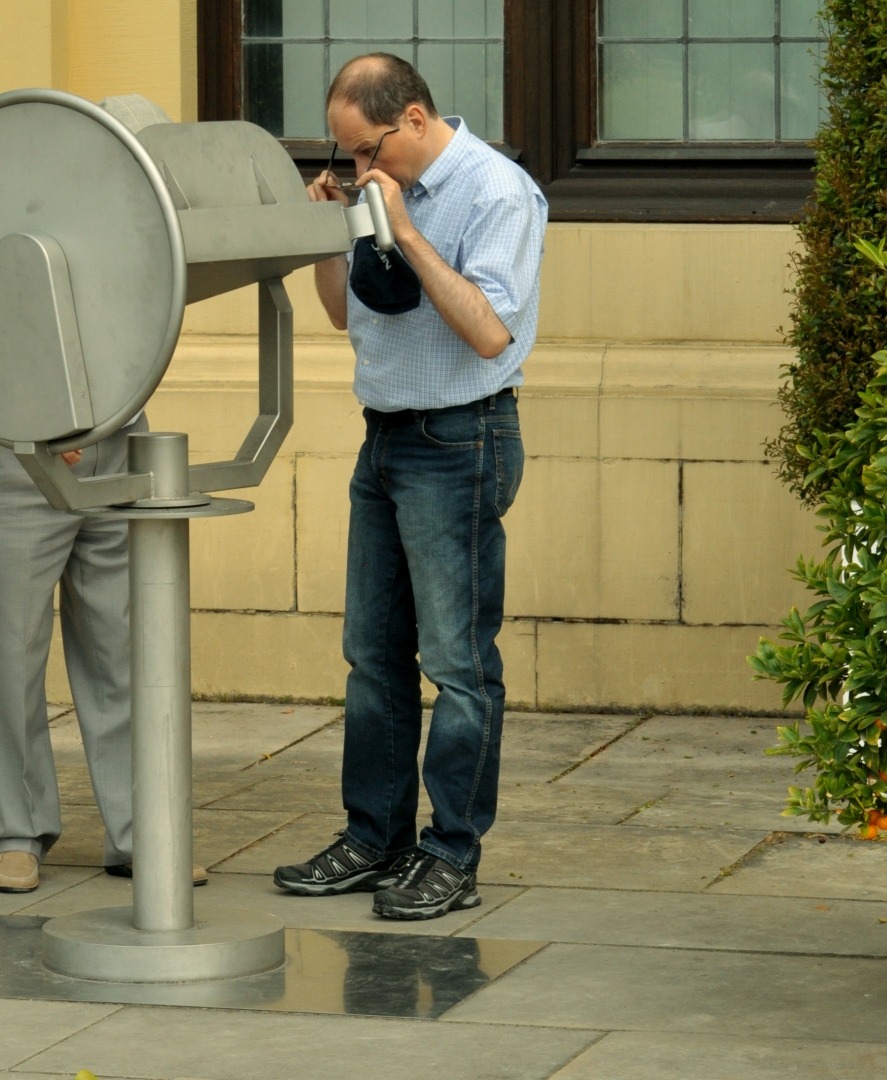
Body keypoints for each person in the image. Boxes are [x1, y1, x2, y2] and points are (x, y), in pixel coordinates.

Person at [273, 55, 547, 919]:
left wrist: (405, 228)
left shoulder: (497, 194)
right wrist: (334, 232)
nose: (359, 171)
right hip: (384, 437)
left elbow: (487, 332)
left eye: (367, 152)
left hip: (461, 438)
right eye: (346, 156)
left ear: (415, 119)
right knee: (372, 657)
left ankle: (450, 855)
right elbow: (339, 314)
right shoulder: (374, 188)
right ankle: (374, 838)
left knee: (458, 664)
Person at [0, 94, 206, 894]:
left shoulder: (130, 221)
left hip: (113, 438)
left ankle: (139, 832)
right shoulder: (6, 209)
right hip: (13, 449)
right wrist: (35, 416)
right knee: (13, 650)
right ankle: (17, 830)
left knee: (119, 645)